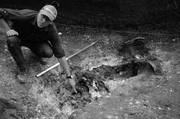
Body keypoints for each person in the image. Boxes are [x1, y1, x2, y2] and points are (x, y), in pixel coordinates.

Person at [0, 5, 76, 92]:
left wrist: (69, 77)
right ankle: (22, 69)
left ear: (51, 22)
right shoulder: (24, 15)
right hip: (18, 37)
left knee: (48, 52)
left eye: (47, 20)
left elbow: (60, 54)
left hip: (34, 42)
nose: (43, 21)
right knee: (12, 40)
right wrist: (7, 30)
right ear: (39, 12)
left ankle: (34, 53)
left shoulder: (51, 29)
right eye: (43, 16)